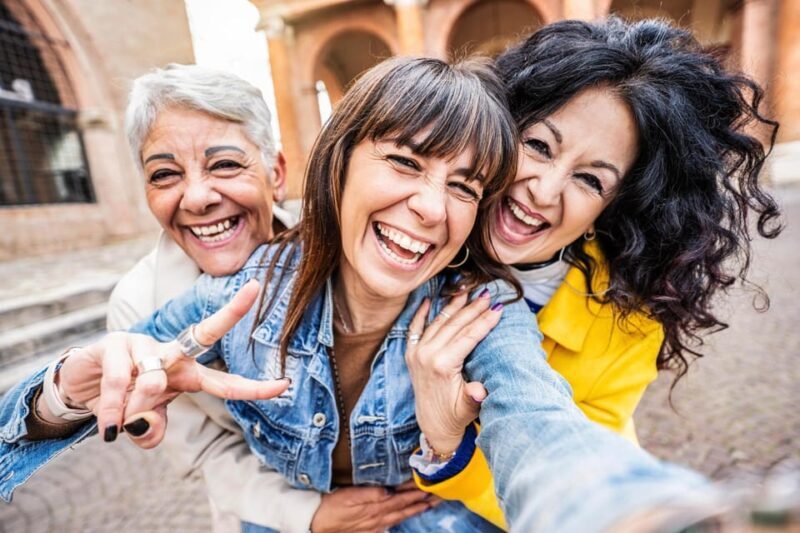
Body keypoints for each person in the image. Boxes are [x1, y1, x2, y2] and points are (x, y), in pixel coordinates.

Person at [0, 54, 720, 532]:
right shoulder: (245, 290)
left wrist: (626, 507)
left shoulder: (480, 313)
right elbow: (51, 405)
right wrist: (64, 389)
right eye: (404, 163)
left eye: (464, 185)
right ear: (337, 164)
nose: (432, 209)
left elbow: (542, 427)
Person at [404, 17, 782, 530]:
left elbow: (567, 456)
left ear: (613, 207)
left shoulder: (628, 321)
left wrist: (449, 446)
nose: (544, 190)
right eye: (538, 146)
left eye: (589, 179)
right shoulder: (408, 230)